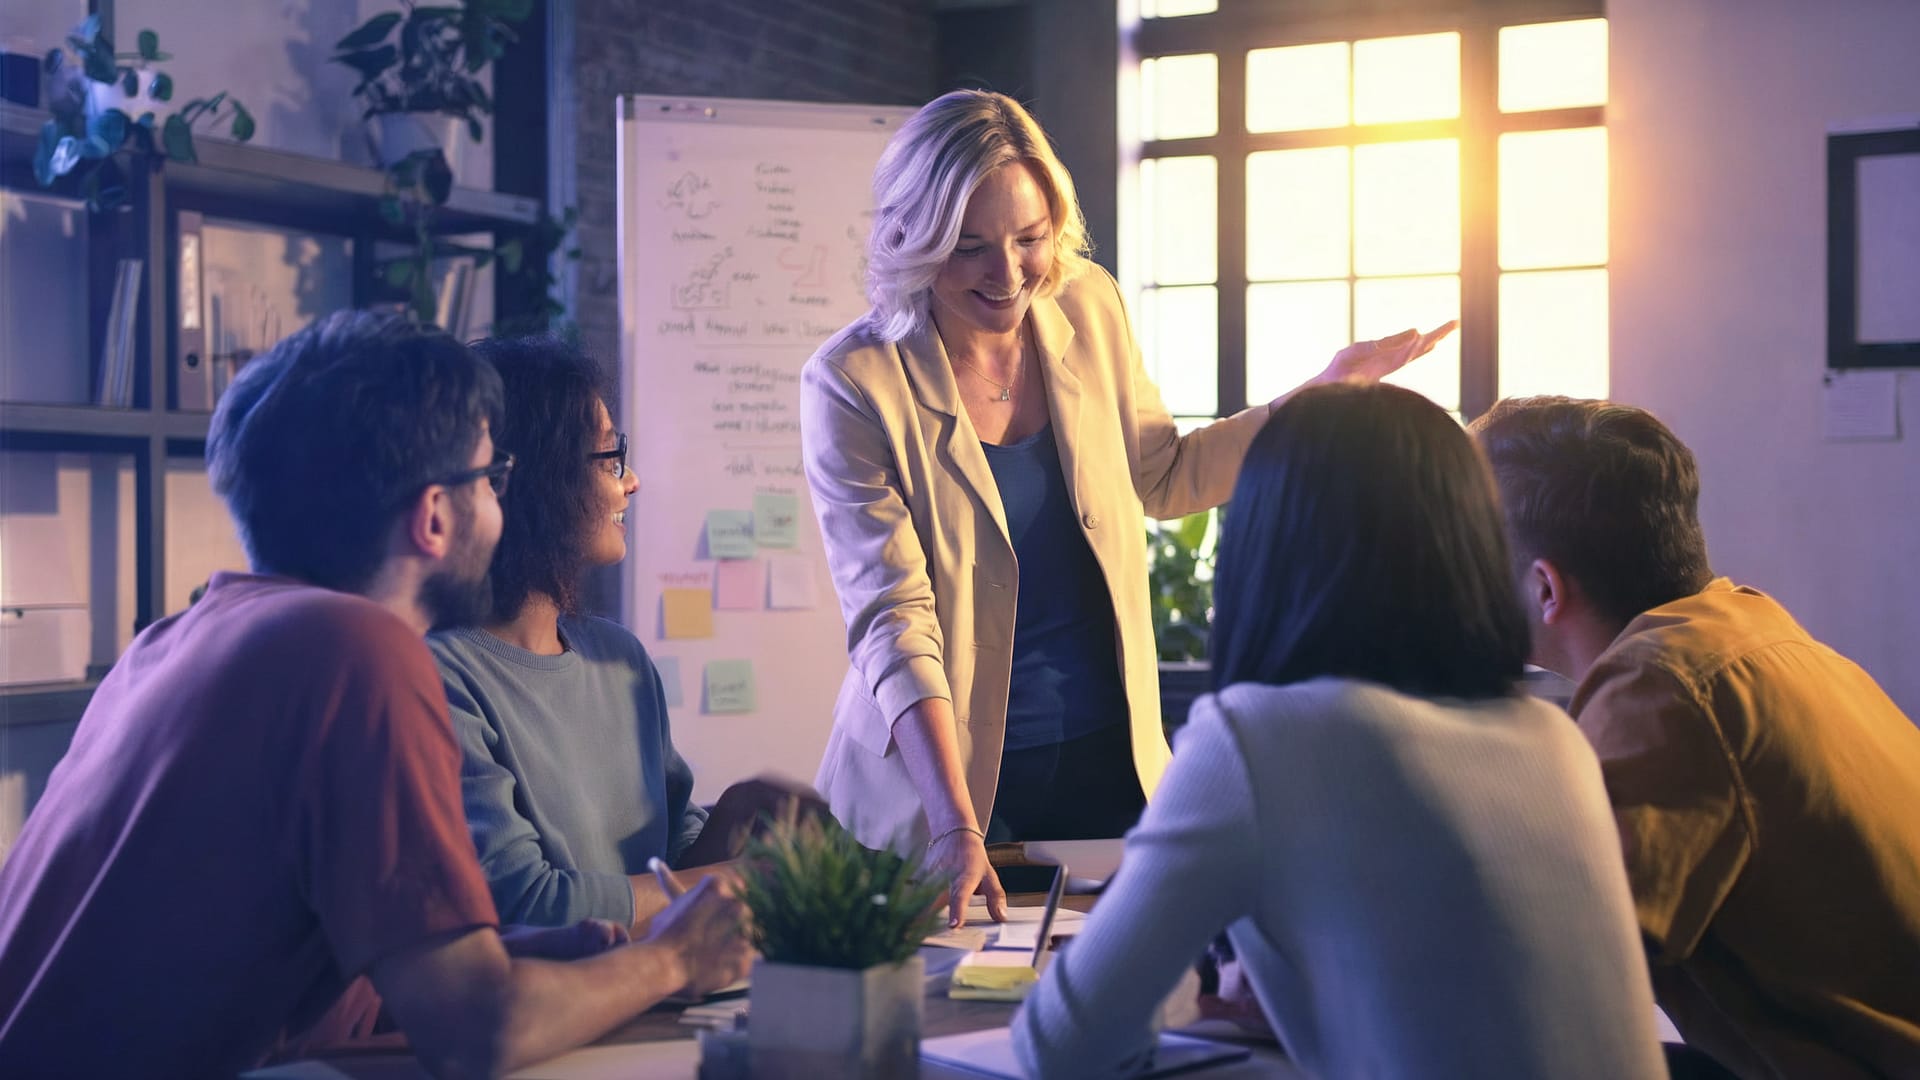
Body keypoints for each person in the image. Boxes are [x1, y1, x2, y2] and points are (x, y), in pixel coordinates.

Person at [0, 312, 751, 1079]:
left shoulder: (170, 643)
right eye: (489, 480)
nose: (502, 507)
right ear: (433, 516)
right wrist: (674, 960)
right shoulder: (356, 655)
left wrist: (563, 952)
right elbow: (478, 1033)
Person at [801, 88, 1454, 924]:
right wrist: (952, 819)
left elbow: (1167, 476)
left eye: (1029, 240)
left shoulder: (1087, 304)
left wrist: (1320, 397)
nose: (1008, 276)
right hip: (940, 781)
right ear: (912, 240)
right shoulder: (854, 383)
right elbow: (895, 617)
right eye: (969, 249)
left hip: (1105, 763)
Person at [1009, 382, 1666, 1079]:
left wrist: (1185, 992)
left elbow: (1060, 1044)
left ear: (1267, 540)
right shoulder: (1552, 739)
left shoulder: (1261, 738)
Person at [1471, 396, 1920, 1080]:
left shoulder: (1664, 687)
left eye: (1463, 548)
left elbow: (1558, 963)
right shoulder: (1755, 634)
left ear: (1545, 589)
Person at [432, 335, 810, 933]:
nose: (630, 481)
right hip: (569, 1014)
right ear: (536, 479)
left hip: (670, 999)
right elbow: (526, 903)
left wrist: (739, 814)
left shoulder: (620, 657)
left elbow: (669, 857)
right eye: (611, 458)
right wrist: (739, 876)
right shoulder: (442, 678)